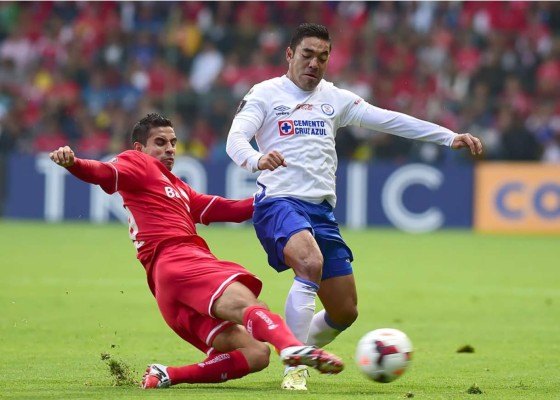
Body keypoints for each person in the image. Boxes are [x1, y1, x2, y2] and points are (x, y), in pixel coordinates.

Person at [226, 23, 483, 391]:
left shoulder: (336, 99)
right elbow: (236, 138)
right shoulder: (266, 94)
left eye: (323, 57)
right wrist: (256, 160)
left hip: (321, 211)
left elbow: (390, 120)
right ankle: (295, 367)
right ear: (289, 54)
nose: (314, 63)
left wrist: (448, 136)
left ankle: (297, 348)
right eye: (307, 54)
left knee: (345, 311)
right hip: (279, 202)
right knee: (310, 264)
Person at [49, 113, 344, 390]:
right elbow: (104, 172)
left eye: (174, 143)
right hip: (179, 259)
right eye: (160, 143)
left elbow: (225, 209)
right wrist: (74, 163)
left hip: (168, 288)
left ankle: (166, 375)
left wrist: (273, 197)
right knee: (251, 306)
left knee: (256, 354)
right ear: (140, 148)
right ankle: (293, 349)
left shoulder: (176, 187)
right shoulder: (137, 163)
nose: (170, 150)